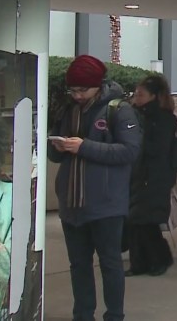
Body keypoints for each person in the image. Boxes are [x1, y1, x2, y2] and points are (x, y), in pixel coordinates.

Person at [49, 55, 142, 321]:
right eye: (73, 90)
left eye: (82, 90)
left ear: (97, 86)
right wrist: (57, 147)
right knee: (78, 265)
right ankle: (82, 315)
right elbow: (55, 157)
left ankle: (114, 315)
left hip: (106, 205)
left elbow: (130, 151)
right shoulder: (67, 109)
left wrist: (84, 146)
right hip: (71, 203)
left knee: (110, 263)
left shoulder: (119, 109)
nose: (77, 95)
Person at [125, 75, 177, 277]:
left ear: (153, 96)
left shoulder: (163, 119)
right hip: (139, 175)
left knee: (146, 222)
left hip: (155, 177)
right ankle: (139, 263)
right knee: (135, 222)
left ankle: (159, 259)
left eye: (141, 95)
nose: (136, 98)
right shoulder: (135, 116)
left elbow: (159, 149)